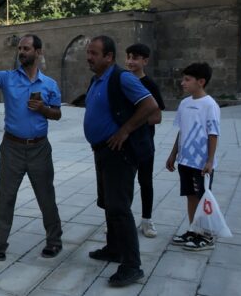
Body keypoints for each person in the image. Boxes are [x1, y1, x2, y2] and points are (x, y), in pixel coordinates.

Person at [83, 36, 158, 287]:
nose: (89, 57)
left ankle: (132, 265)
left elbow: (150, 105)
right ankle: (114, 248)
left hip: (119, 153)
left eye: (94, 53)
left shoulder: (122, 78)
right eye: (88, 53)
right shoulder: (97, 80)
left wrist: (125, 130)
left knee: (119, 207)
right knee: (108, 203)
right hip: (102, 151)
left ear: (109, 57)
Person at [0, 34, 63, 260]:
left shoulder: (49, 84)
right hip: (12, 148)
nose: (22, 52)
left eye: (26, 48)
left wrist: (44, 109)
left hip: (39, 148)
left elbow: (57, 114)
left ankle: (54, 240)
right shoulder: (8, 78)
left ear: (39, 52)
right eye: (20, 48)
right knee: (6, 196)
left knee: (46, 196)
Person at [166, 62, 220, 251]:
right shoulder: (184, 103)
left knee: (203, 197)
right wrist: (173, 154)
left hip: (201, 163)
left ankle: (206, 235)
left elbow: (213, 134)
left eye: (187, 80)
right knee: (190, 196)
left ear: (201, 82)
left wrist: (210, 160)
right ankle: (193, 229)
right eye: (184, 79)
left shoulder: (209, 105)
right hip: (185, 161)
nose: (183, 83)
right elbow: (181, 131)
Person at [125, 43, 165, 238]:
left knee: (145, 181)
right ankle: (120, 220)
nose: (131, 61)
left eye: (136, 58)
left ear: (145, 61)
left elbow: (157, 117)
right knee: (123, 183)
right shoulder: (121, 81)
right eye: (129, 57)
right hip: (123, 143)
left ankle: (147, 221)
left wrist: (132, 123)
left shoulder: (150, 85)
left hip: (144, 143)